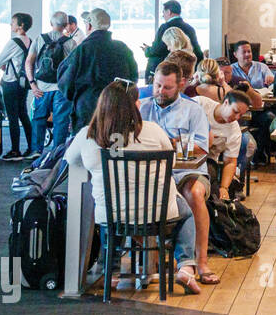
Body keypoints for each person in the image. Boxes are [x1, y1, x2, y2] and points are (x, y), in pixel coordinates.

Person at [64, 80, 201, 294]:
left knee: (115, 211)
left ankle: (112, 272)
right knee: (186, 214)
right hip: (158, 213)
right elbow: (171, 163)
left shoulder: (88, 135)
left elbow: (71, 161)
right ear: (134, 105)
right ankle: (186, 266)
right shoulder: (153, 131)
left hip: (112, 215)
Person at [138, 61, 219, 287]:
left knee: (192, 192)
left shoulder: (193, 110)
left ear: (181, 85)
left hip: (187, 170)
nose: (160, 92)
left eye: (167, 88)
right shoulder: (143, 107)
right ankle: (149, 261)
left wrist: (167, 142)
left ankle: (200, 262)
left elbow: (202, 148)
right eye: (157, 86)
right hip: (153, 172)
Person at [57, 8, 139, 134]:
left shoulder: (82, 50)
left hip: (88, 110)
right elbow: (133, 78)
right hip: (117, 109)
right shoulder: (122, 48)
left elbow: (65, 81)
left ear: (89, 25)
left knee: (88, 146)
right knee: (114, 148)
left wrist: (77, 96)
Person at [26, 11, 80, 157]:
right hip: (61, 88)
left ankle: (36, 150)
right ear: (66, 25)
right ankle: (58, 152)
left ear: (51, 23)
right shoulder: (71, 42)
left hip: (41, 87)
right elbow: (74, 68)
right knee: (60, 121)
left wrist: (32, 84)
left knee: (38, 119)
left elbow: (29, 62)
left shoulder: (40, 39)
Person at [194, 89, 253, 201]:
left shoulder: (234, 130)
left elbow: (230, 161)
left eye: (241, 115)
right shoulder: (200, 104)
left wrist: (224, 188)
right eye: (235, 112)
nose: (237, 118)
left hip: (207, 162)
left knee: (212, 193)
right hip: (182, 156)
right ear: (226, 102)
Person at [0, 12, 34, 160]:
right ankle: (31, 147)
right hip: (23, 82)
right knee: (23, 114)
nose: (11, 24)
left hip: (11, 82)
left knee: (12, 117)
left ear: (20, 25)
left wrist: (3, 64)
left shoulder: (13, 42)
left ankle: (15, 150)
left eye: (13, 22)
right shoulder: (30, 41)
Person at [142, 0, 203, 80]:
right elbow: (198, 52)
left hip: (165, 73)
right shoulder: (190, 28)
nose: (163, 15)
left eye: (163, 12)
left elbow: (157, 50)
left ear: (169, 12)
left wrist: (147, 50)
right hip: (186, 72)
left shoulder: (165, 27)